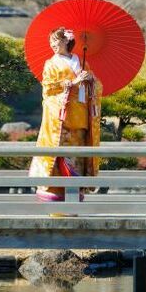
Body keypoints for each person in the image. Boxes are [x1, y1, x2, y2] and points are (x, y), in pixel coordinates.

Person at [28, 27, 102, 202]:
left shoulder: (82, 63)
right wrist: (72, 82)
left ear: (66, 41)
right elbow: (48, 89)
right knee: (58, 153)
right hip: (60, 118)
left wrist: (90, 80)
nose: (53, 45)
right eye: (51, 42)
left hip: (81, 116)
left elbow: (96, 87)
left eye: (56, 41)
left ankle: (75, 189)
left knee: (78, 154)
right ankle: (54, 190)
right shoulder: (51, 64)